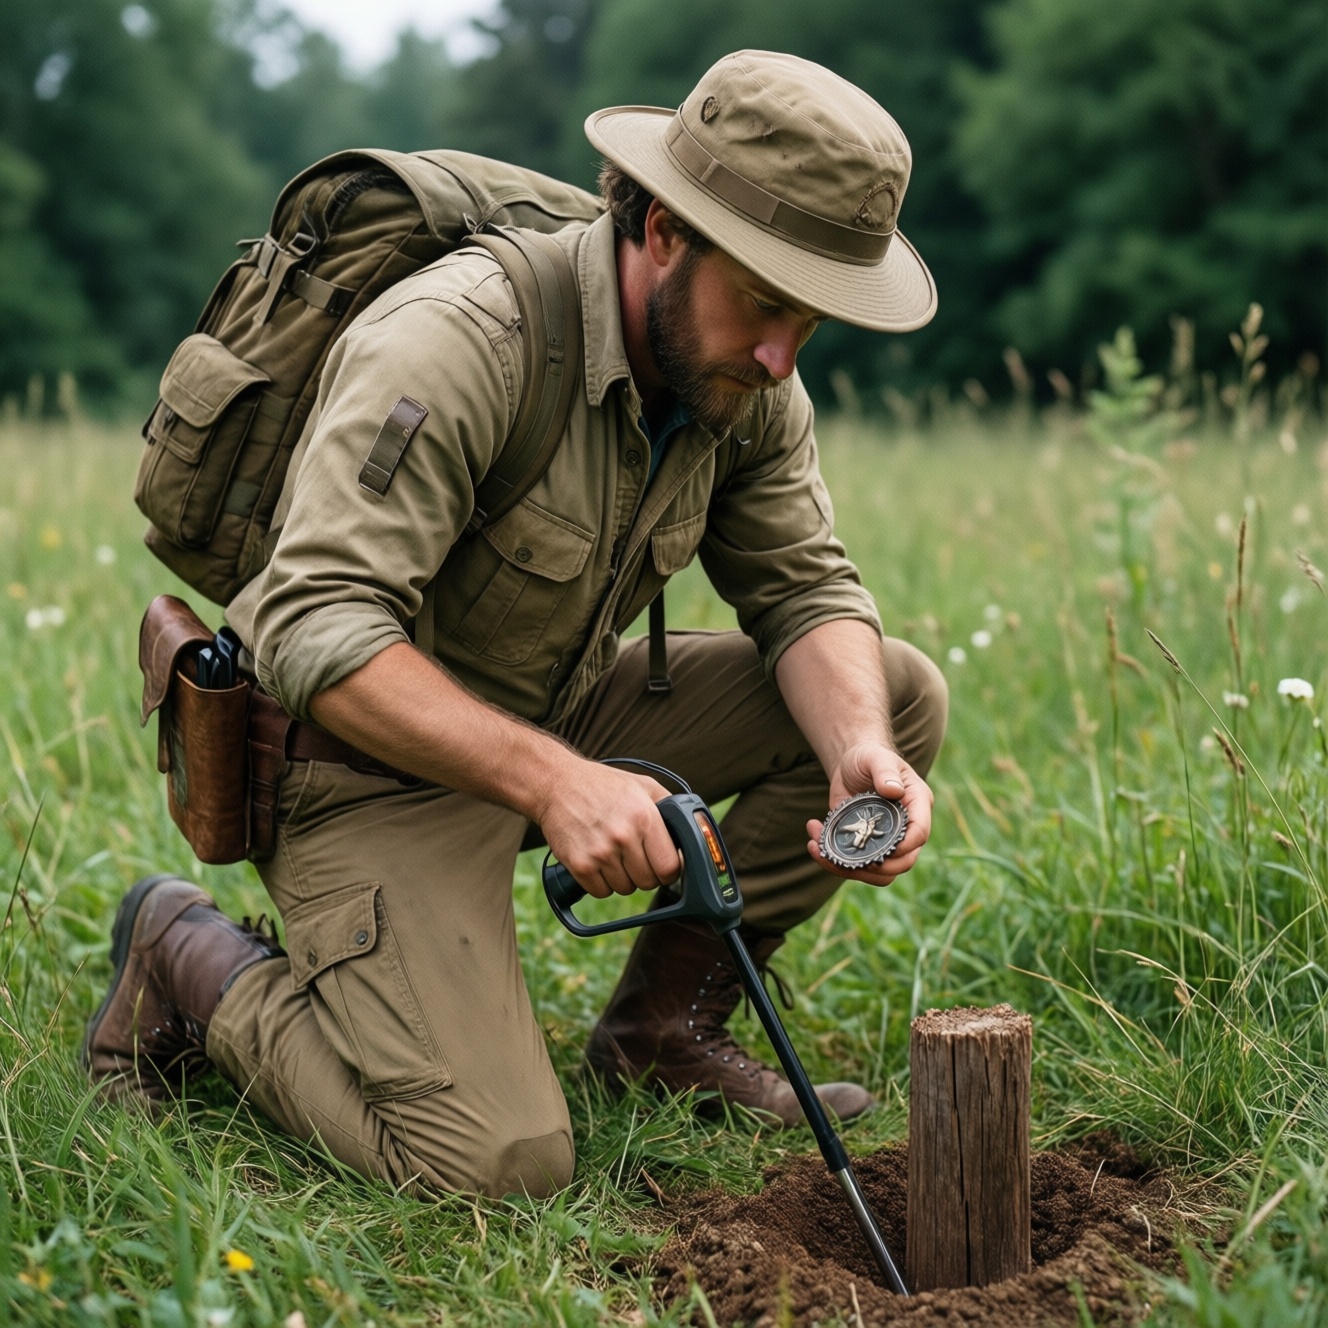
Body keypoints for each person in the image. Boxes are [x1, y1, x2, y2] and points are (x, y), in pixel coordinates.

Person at [85, 50, 947, 1200]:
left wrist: (855, 749)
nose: (784, 354)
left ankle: (660, 1035)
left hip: (548, 709)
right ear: (661, 235)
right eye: (766, 301)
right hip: (355, 762)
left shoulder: (742, 376)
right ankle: (190, 954)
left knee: (892, 691)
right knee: (493, 1162)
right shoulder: (461, 340)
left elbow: (804, 585)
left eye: (813, 317)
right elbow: (313, 621)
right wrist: (554, 784)